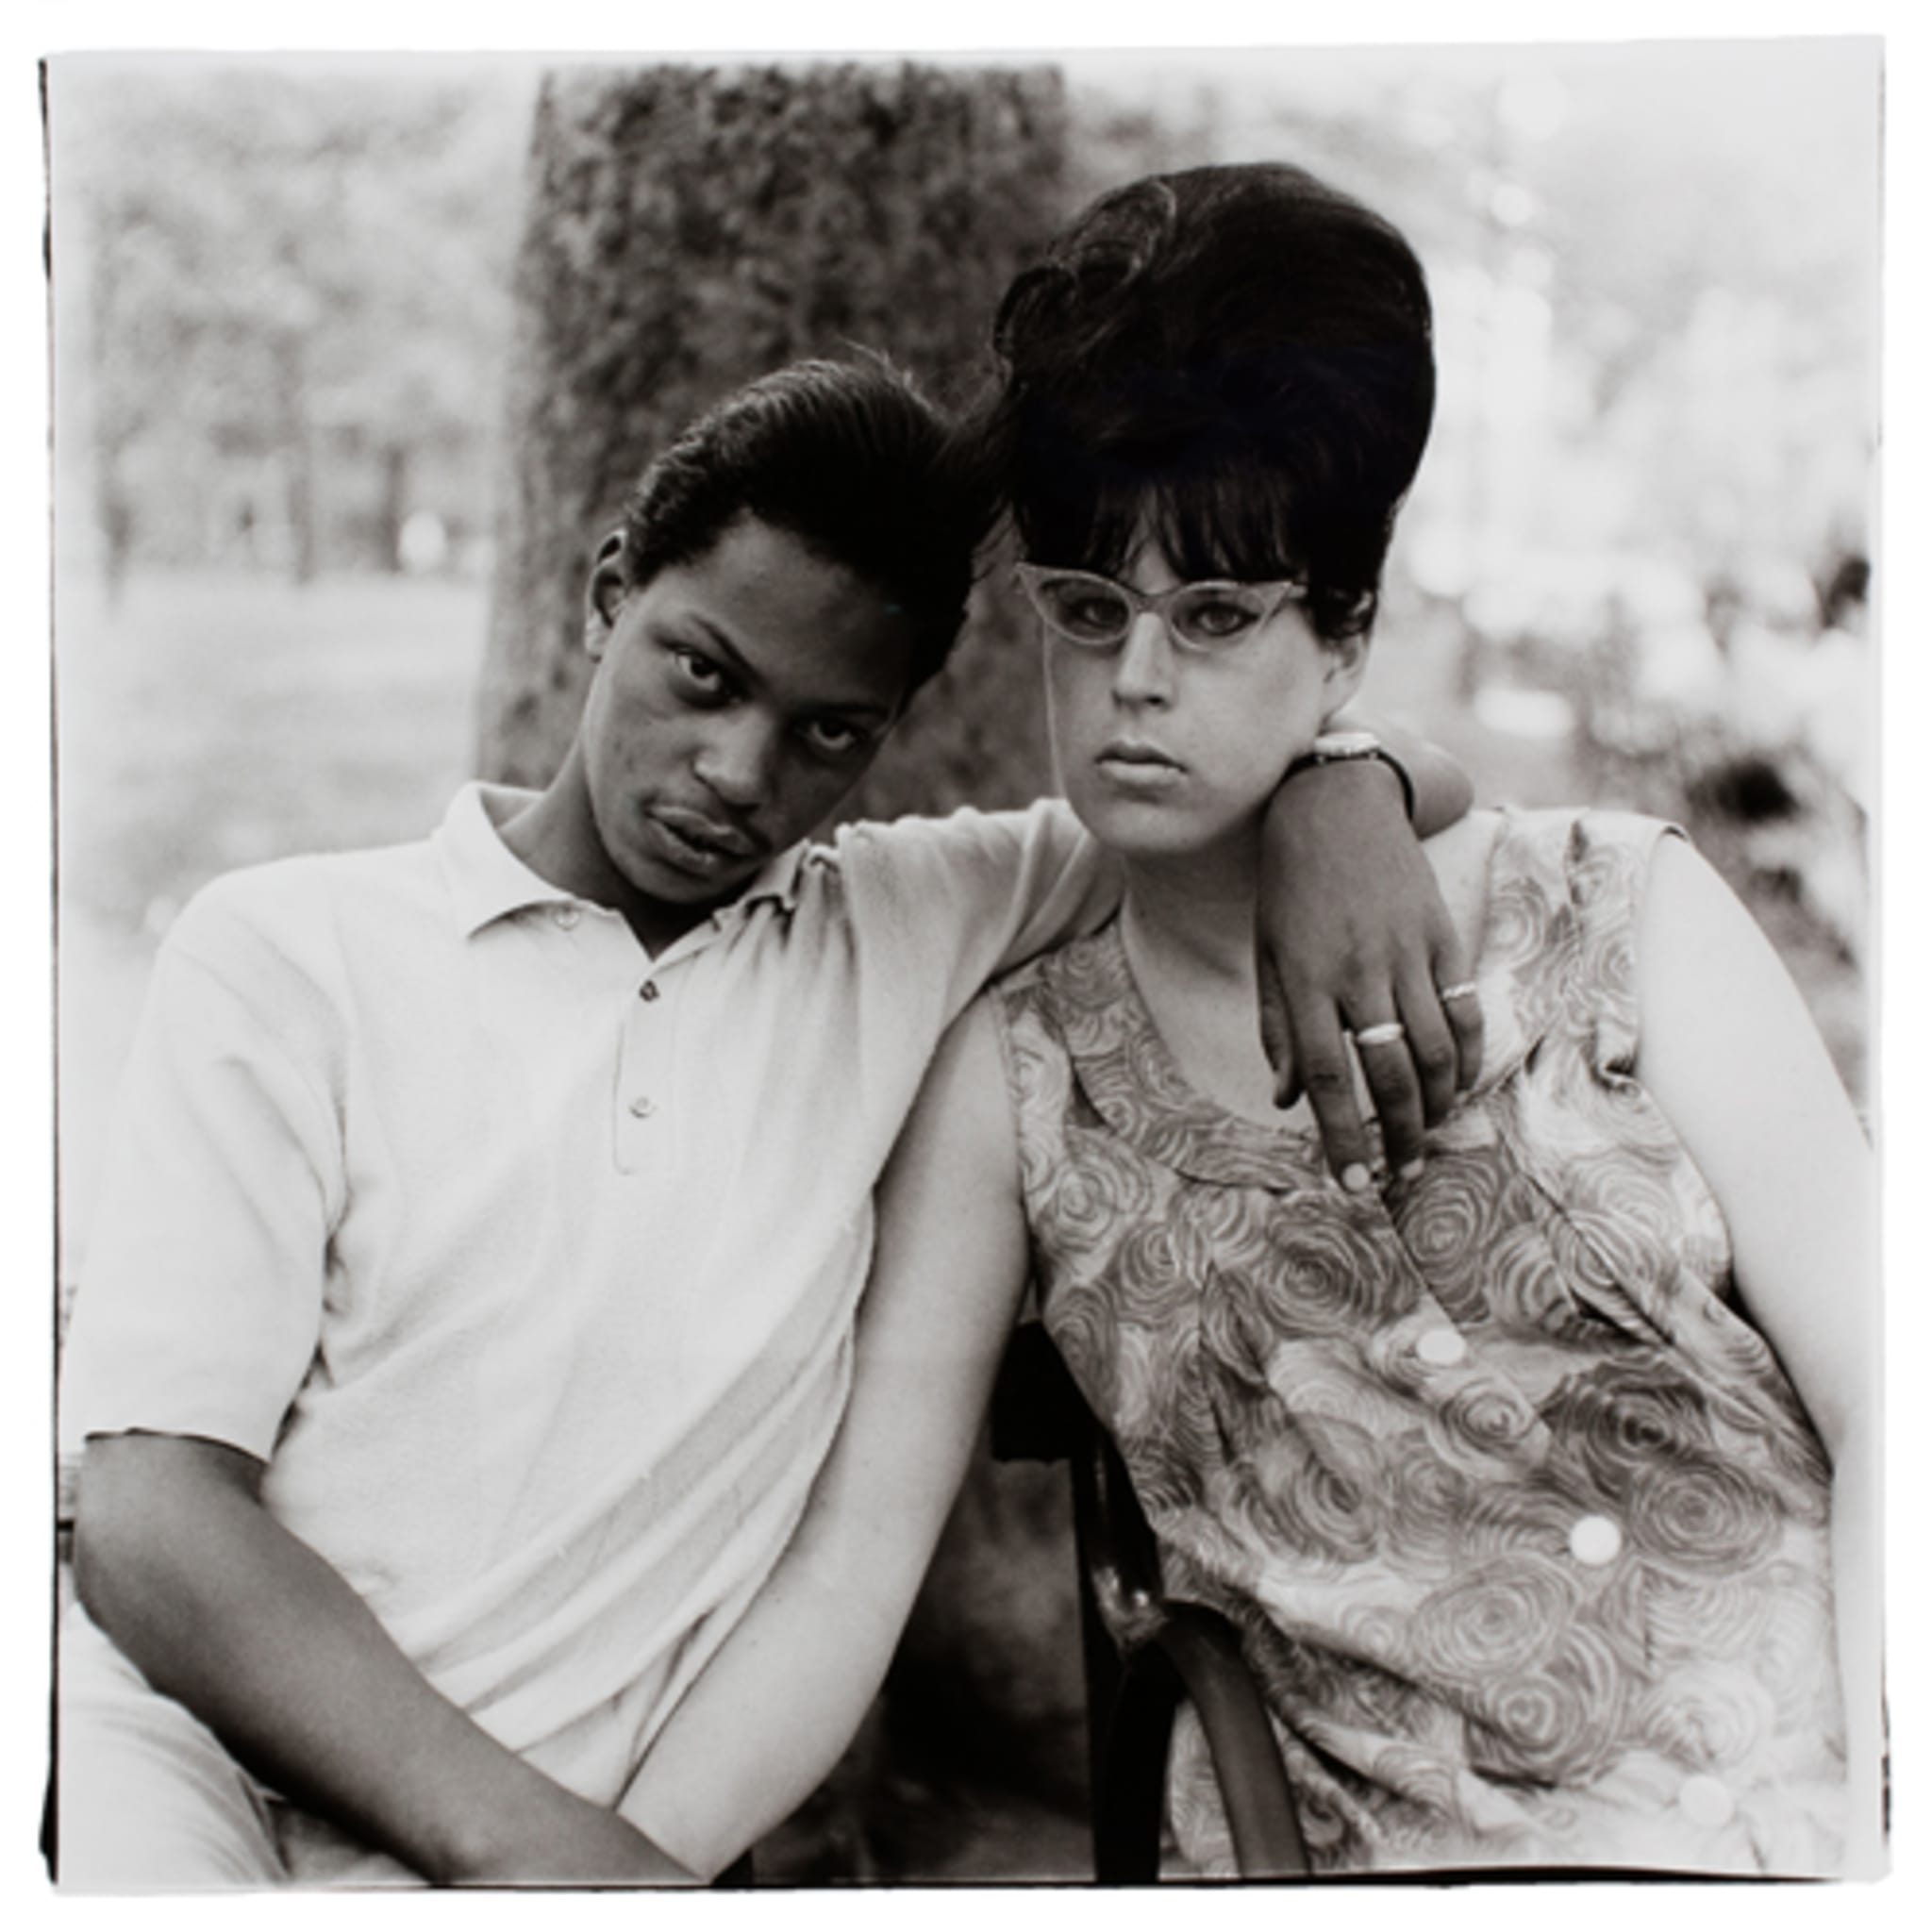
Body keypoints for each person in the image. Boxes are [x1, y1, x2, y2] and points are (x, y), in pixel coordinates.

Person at [55, 351, 1477, 1888]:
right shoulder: (291, 953)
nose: (738, 773)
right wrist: (538, 1854)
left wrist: (1350, 782)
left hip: (568, 1853)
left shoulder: (899, 926)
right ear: (610, 592)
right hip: (206, 1775)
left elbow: (1238, 787)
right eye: (703, 675)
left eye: (830, 734)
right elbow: (148, 1513)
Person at [621, 167, 1881, 1881]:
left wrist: (1889, 1817)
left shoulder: (1620, 912)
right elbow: (849, 1573)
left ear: (1346, 634)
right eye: (1088, 611)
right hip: (1366, 1853)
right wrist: (585, 1878)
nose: (1136, 681)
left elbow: (1890, 1391)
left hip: (1824, 1795)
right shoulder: (1020, 1082)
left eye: (1214, 617)